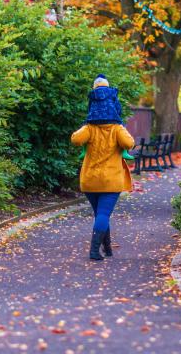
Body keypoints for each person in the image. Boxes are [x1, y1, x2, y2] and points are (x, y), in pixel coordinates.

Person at [71, 78, 135, 260]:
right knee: (103, 214)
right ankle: (93, 251)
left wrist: (87, 125)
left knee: (101, 215)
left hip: (90, 180)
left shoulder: (89, 128)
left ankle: (107, 248)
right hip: (110, 180)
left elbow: (75, 139)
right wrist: (121, 127)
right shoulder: (116, 128)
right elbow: (129, 143)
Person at [79, 74, 134, 161]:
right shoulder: (112, 93)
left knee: (84, 128)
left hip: (94, 118)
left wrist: (89, 117)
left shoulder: (93, 94)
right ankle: (125, 152)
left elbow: (89, 108)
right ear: (106, 84)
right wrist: (118, 115)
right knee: (122, 129)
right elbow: (117, 106)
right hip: (111, 117)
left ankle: (84, 151)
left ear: (95, 85)